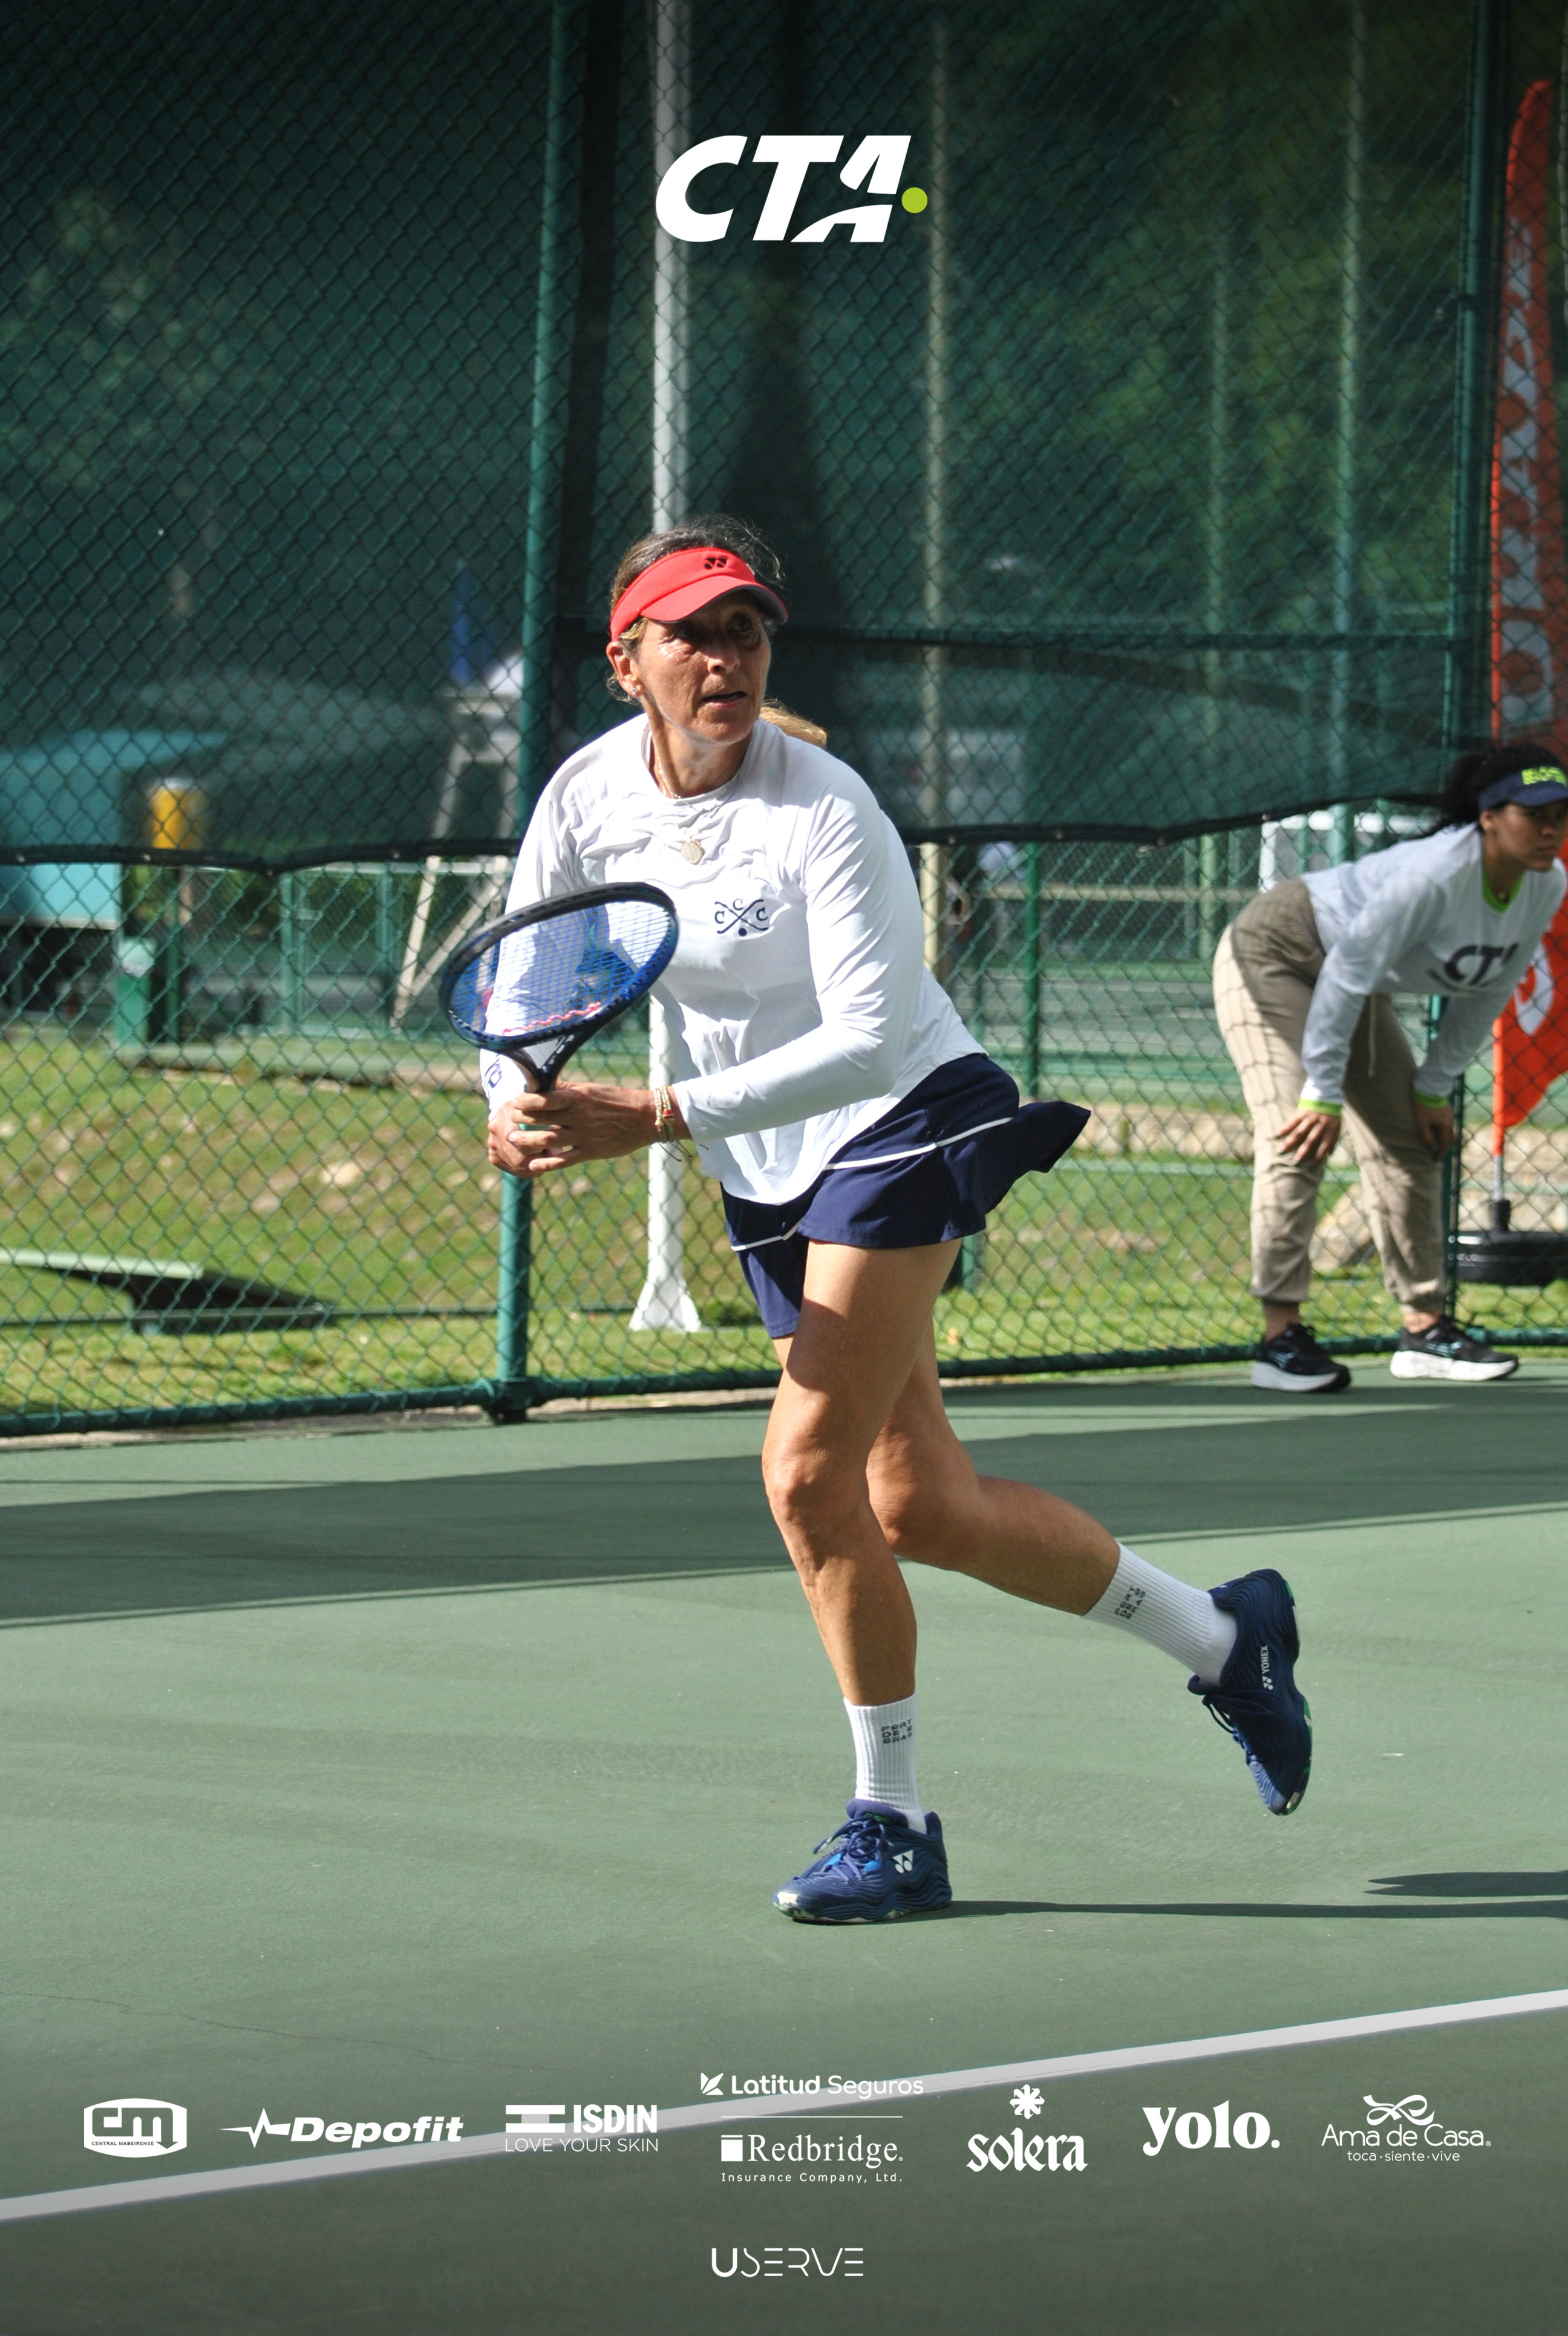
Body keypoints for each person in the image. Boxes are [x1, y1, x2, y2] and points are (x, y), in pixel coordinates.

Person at [483, 515, 1312, 1922]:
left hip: (903, 1123)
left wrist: (662, 1118)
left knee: (805, 1478)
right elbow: (527, 983)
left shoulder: (826, 809)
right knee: (914, 1503)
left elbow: (871, 1040)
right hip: (771, 1169)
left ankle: (894, 1824)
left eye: (744, 630)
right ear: (629, 660)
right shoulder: (585, 796)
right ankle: (1225, 1636)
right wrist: (511, 1093)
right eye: (692, 632)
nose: (725, 656)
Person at [1214, 745, 1568, 1393]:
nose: (1551, 829)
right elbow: (1347, 974)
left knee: (1411, 1138)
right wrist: (1321, 1091)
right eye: (1535, 813)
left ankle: (1425, 1329)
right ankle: (1279, 1337)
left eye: (1562, 814)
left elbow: (1489, 989)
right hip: (1276, 950)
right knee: (1299, 1134)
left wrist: (1433, 1085)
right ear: (1489, 816)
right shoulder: (1433, 875)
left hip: (1350, 977)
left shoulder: (1547, 882)